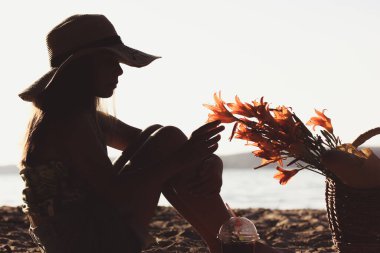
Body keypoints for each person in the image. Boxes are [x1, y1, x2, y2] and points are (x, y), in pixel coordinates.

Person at [19, 14, 287, 253]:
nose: (120, 70)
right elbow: (115, 194)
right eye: (110, 61)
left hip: (93, 231)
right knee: (168, 140)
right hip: (83, 241)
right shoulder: (68, 122)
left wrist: (209, 162)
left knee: (166, 136)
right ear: (81, 68)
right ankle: (231, 246)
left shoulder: (86, 117)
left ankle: (227, 246)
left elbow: (159, 146)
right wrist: (184, 159)